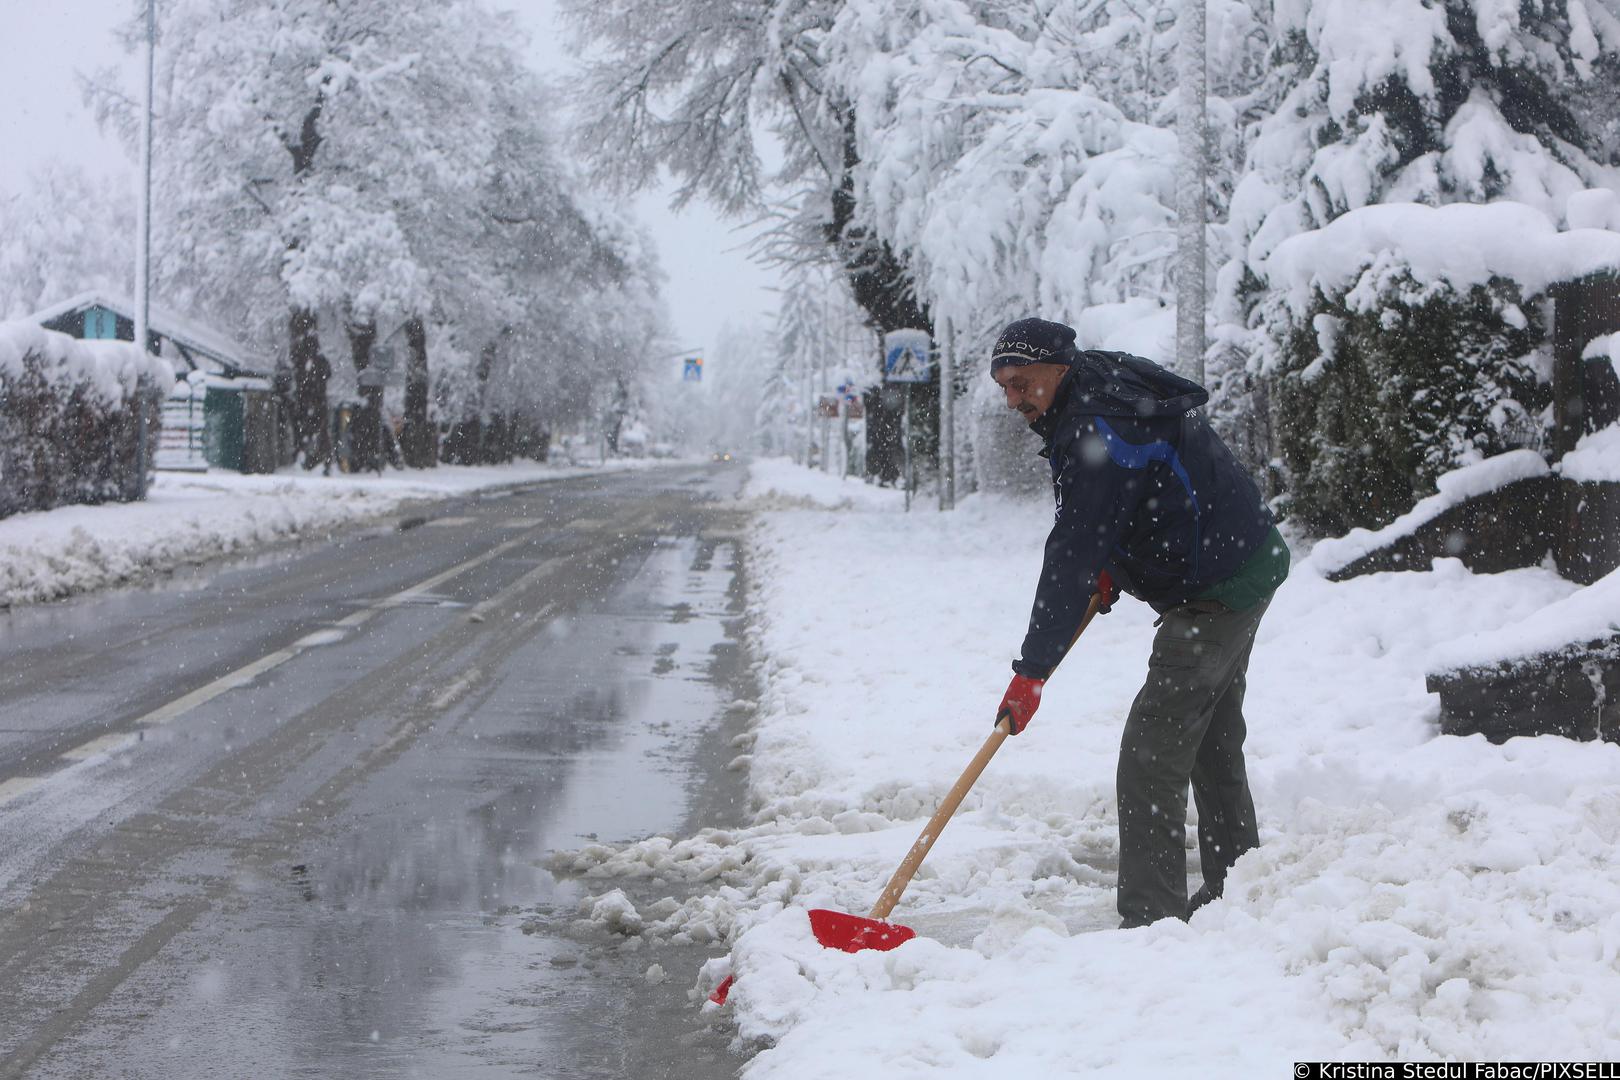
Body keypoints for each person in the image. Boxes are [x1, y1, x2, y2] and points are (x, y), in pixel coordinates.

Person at [987, 317, 1289, 928]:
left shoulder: (1098, 427)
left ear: (1057, 369)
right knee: (1210, 738)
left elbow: (1073, 548)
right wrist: (1117, 567)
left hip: (1217, 589)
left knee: (1151, 751)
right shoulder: (1092, 387)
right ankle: (1237, 886)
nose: (1012, 400)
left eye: (1022, 384)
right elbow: (1140, 495)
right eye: (1004, 386)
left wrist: (1032, 671)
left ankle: (1151, 920)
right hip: (1243, 557)